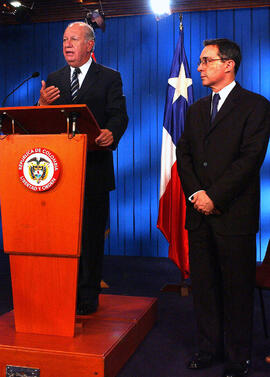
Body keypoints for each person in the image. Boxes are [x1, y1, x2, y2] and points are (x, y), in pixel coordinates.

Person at [176, 38, 270, 377]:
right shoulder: (197, 108)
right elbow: (183, 156)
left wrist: (214, 196)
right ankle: (208, 350)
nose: (199, 67)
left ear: (228, 64)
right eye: (200, 61)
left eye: (206, 60)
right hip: (199, 215)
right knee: (204, 288)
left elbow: (249, 160)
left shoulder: (256, 106)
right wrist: (197, 194)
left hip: (233, 215)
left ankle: (236, 358)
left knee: (236, 289)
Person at [38, 21, 128, 315]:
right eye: (64, 39)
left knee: (90, 236)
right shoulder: (54, 78)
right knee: (62, 236)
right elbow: (43, 125)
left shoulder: (110, 77)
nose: (67, 45)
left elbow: (119, 115)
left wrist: (111, 134)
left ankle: (87, 296)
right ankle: (62, 291)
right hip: (58, 173)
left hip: (94, 171)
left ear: (90, 45)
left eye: (73, 39)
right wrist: (40, 104)